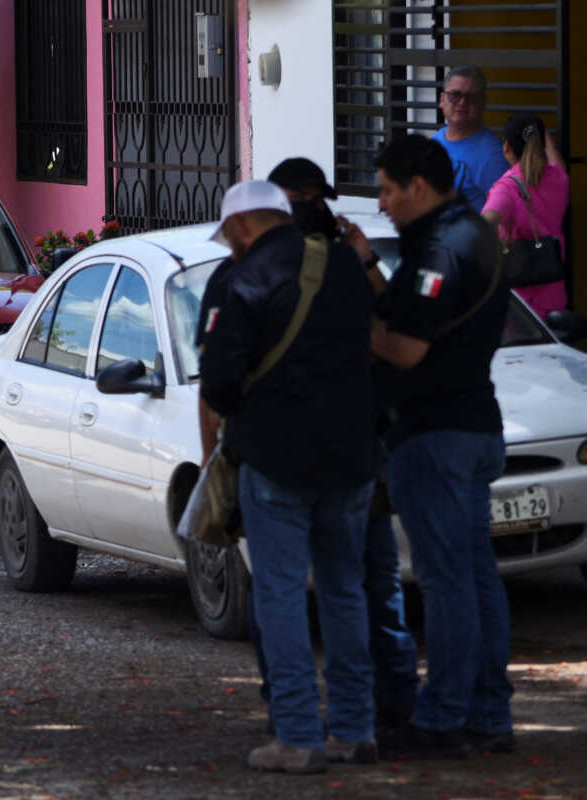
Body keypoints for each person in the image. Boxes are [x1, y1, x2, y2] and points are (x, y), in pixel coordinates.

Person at [200, 180, 378, 774]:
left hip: (275, 457)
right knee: (345, 592)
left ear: (244, 226)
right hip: (352, 455)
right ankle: (354, 730)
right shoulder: (345, 268)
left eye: (228, 233)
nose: (229, 245)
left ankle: (298, 736)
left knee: (278, 594)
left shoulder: (243, 280)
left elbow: (219, 381)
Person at [372, 134, 514, 759]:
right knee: (477, 578)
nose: (380, 205)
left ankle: (443, 718)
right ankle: (487, 716)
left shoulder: (439, 249)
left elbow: (406, 347)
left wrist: (352, 312)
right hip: (475, 424)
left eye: (386, 190)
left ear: (418, 188)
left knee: (449, 580)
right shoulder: (475, 234)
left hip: (436, 434)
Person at [266, 157, 421, 731]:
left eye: (314, 197)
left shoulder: (308, 267)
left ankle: (370, 706)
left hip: (342, 450)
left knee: (348, 585)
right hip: (345, 449)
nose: (314, 208)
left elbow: (393, 323)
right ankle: (355, 713)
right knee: (347, 586)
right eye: (305, 197)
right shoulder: (286, 268)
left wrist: (366, 261)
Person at [482, 112, 569, 318]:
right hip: (555, 300)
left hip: (519, 307)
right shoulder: (559, 178)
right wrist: (539, 133)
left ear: (506, 147)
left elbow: (486, 222)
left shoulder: (506, 188)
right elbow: (555, 158)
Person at [432, 65, 510, 212]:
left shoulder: (492, 156)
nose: (462, 102)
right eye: (455, 95)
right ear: (442, 100)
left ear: (483, 103)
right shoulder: (435, 140)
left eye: (471, 97)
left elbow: (505, 217)